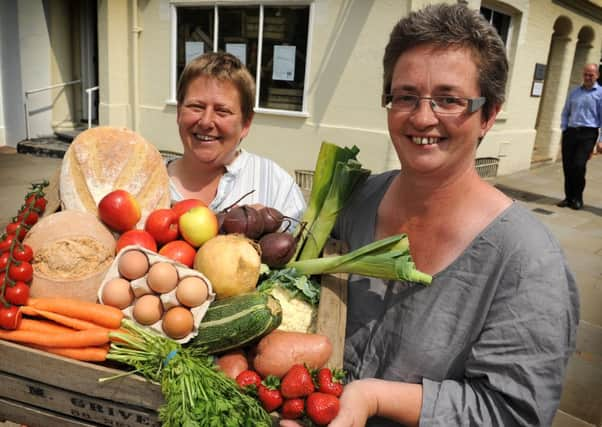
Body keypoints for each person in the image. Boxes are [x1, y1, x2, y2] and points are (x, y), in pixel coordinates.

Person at [322, 4, 578, 427]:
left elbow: (513, 413)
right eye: (405, 96)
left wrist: (373, 397)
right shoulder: (354, 202)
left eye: (449, 100)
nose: (423, 117)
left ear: (488, 115)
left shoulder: (528, 263)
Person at [168, 51, 306, 221]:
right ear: (179, 113)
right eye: (196, 107)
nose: (206, 122)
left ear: (246, 124)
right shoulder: (146, 185)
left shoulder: (278, 188)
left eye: (222, 111)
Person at [557, 63, 602, 210]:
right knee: (567, 166)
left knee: (578, 165)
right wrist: (564, 130)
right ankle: (568, 197)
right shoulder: (574, 92)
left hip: (588, 134)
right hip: (571, 132)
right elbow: (566, 112)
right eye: (586, 74)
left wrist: (601, 141)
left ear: (597, 75)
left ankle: (577, 198)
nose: (588, 77)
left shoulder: (600, 94)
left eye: (591, 75)